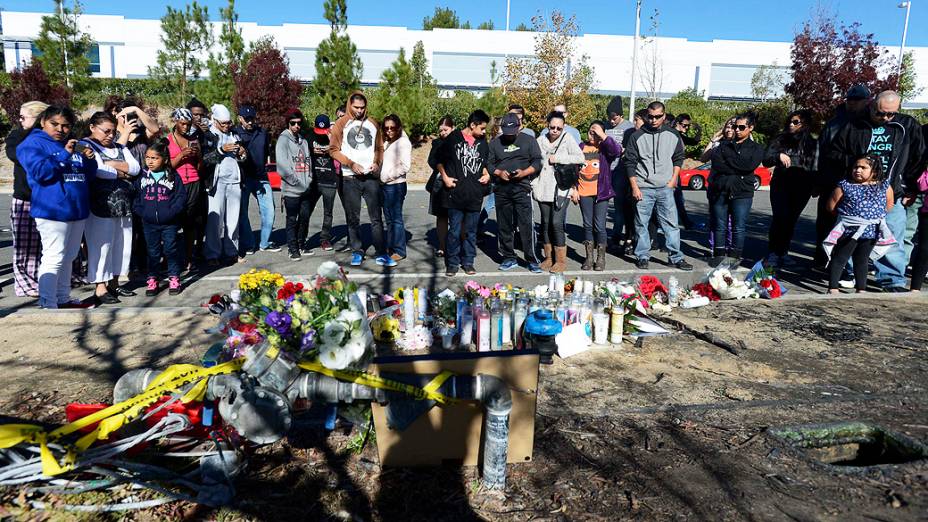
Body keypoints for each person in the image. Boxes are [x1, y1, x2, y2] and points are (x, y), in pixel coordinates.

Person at [829, 91, 925, 292]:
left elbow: (918, 156)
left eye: (890, 114)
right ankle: (852, 275)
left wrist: (910, 186)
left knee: (892, 238)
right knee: (851, 236)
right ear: (871, 106)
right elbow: (835, 152)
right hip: (857, 193)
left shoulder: (907, 126)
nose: (885, 118)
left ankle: (891, 280)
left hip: (890, 191)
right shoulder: (855, 125)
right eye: (880, 113)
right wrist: (855, 165)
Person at [17, 106, 97, 309]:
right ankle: (48, 303)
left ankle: (62, 299)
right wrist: (63, 155)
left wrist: (89, 159)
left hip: (76, 210)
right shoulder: (31, 144)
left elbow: (87, 175)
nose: (60, 129)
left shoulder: (71, 144)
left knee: (69, 257)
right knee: (54, 256)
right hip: (53, 211)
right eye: (55, 124)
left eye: (66, 126)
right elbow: (41, 173)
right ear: (43, 121)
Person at [81, 112, 141, 306]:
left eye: (113, 132)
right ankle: (100, 286)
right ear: (92, 127)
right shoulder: (86, 145)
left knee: (122, 245)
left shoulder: (120, 147)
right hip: (101, 205)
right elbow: (98, 170)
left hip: (124, 204)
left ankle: (114, 282)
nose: (110, 135)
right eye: (106, 131)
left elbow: (135, 168)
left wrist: (112, 165)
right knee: (102, 246)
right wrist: (122, 172)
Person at [625, 102, 693, 271]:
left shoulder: (673, 134)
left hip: (665, 187)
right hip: (643, 187)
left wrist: (673, 180)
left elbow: (678, 158)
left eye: (657, 116)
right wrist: (635, 187)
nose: (654, 120)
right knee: (641, 224)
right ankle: (642, 255)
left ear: (664, 115)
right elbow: (630, 163)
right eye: (650, 116)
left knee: (671, 224)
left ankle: (676, 257)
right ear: (647, 116)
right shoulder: (637, 136)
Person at [330, 91, 392, 267]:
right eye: (356, 107)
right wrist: (350, 163)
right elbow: (333, 149)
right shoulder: (341, 123)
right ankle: (357, 250)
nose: (359, 111)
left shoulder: (372, 123)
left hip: (370, 177)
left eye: (362, 107)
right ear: (350, 105)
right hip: (350, 178)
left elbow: (379, 147)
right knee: (353, 217)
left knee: (376, 217)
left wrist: (376, 163)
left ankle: (381, 252)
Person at [814, 84, 872, 270]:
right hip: (832, 180)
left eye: (858, 100)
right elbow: (823, 153)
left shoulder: (869, 123)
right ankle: (823, 260)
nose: (853, 104)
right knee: (827, 223)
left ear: (867, 101)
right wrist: (819, 180)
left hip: (857, 181)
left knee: (852, 225)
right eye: (850, 100)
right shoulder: (835, 123)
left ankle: (845, 265)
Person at [824, 154, 894, 294]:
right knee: (840, 257)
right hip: (849, 230)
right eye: (856, 167)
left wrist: (873, 217)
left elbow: (889, 203)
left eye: (863, 167)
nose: (858, 170)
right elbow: (831, 206)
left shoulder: (884, 186)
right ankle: (833, 287)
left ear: (874, 171)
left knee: (862, 260)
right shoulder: (845, 185)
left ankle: (861, 288)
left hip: (871, 230)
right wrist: (846, 219)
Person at [438, 110, 492, 276]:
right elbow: (437, 160)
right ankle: (452, 263)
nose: (484, 132)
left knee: (470, 231)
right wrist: (445, 177)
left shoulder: (483, 143)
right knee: (454, 231)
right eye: (482, 128)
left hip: (474, 195)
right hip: (455, 194)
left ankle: (468, 261)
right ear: (472, 125)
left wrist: (487, 174)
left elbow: (485, 163)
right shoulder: (453, 138)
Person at [707, 112, 765, 266]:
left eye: (741, 127)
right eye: (735, 126)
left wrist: (730, 162)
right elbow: (717, 164)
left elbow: (749, 166)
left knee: (738, 227)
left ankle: (734, 257)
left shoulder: (757, 148)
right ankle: (718, 255)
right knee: (719, 225)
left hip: (742, 193)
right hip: (721, 190)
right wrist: (738, 165)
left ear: (750, 128)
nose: (737, 130)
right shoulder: (723, 145)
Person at [488, 113, 543, 272]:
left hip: (522, 187)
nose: (509, 135)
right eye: (506, 132)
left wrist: (524, 172)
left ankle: (531, 259)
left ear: (519, 127)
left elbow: (537, 161)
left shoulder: (529, 140)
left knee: (526, 224)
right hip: (502, 188)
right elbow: (489, 164)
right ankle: (508, 257)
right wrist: (499, 172)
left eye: (512, 132)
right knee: (504, 224)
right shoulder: (495, 143)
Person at [763, 110, 818, 267]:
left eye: (795, 122)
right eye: (790, 121)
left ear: (805, 124)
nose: (790, 125)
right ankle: (773, 252)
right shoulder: (780, 140)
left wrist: (816, 185)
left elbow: (816, 164)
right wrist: (778, 156)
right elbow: (766, 160)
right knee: (779, 218)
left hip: (802, 187)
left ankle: (783, 251)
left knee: (791, 221)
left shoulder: (812, 143)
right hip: (781, 185)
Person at [6, 101, 49, 297]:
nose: (20, 120)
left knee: (48, 244)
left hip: (48, 198)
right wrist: (32, 132)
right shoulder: (16, 136)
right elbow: (18, 155)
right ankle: (26, 284)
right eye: (20, 117)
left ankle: (58, 277)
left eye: (24, 117)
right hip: (25, 198)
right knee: (26, 246)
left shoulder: (51, 136)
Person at [134, 139, 187, 296]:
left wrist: (172, 212)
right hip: (149, 223)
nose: (150, 161)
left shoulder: (173, 176)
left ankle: (174, 278)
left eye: (154, 158)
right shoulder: (142, 176)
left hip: (169, 223)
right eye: (148, 157)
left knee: (171, 250)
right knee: (153, 252)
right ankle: (152, 279)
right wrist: (141, 211)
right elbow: (136, 197)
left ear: (164, 159)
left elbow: (181, 197)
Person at [534, 111, 584, 273]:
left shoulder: (567, 138)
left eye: (559, 128)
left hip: (561, 188)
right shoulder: (540, 141)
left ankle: (561, 261)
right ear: (547, 126)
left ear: (563, 128)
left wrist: (560, 158)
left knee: (556, 223)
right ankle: (549, 258)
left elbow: (580, 158)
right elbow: (533, 162)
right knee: (546, 224)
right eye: (552, 127)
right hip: (542, 187)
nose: (555, 130)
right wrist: (534, 184)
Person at [203, 104, 246, 266]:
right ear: (214, 121)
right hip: (217, 182)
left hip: (234, 180)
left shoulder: (234, 134)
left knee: (233, 220)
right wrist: (221, 150)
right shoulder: (208, 136)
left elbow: (243, 158)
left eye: (229, 123)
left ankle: (232, 252)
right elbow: (205, 159)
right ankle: (212, 254)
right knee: (215, 221)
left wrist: (242, 153)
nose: (227, 126)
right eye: (223, 123)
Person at [574, 121, 620, 271]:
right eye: (590, 131)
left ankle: (601, 258)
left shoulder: (605, 149)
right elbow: (573, 169)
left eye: (596, 132)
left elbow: (616, 151)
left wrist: (602, 135)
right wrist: (573, 188)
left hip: (601, 193)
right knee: (587, 225)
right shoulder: (580, 147)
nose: (592, 134)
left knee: (599, 226)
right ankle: (589, 257)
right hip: (583, 192)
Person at [234, 104, 279, 255]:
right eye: (246, 119)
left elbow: (266, 151)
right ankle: (249, 244)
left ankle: (265, 242)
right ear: (240, 118)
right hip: (243, 179)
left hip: (261, 177)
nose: (250, 122)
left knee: (269, 211)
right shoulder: (234, 133)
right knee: (243, 213)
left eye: (252, 118)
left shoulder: (263, 133)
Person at [167, 108, 204, 272]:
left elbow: (200, 168)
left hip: (194, 182)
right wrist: (181, 155)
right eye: (183, 123)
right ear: (175, 122)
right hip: (176, 184)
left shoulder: (194, 139)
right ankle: (172, 260)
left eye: (188, 125)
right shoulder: (167, 141)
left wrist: (198, 156)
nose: (186, 127)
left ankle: (189, 259)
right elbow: (166, 167)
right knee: (173, 224)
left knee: (190, 224)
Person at [275, 109, 313, 260]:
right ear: (288, 124)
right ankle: (292, 248)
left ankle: (301, 244)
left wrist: (308, 179)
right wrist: (296, 182)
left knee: (304, 218)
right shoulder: (283, 140)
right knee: (292, 219)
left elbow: (308, 161)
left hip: (305, 188)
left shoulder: (303, 140)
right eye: (293, 123)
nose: (297, 126)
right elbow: (282, 167)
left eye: (299, 123)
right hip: (291, 189)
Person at [380, 114, 411, 262]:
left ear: (398, 127)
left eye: (392, 128)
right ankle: (391, 247)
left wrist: (386, 176)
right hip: (386, 186)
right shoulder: (388, 141)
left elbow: (405, 166)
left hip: (395, 186)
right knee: (390, 219)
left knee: (396, 219)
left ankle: (399, 250)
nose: (389, 131)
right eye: (386, 128)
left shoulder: (403, 142)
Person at [308, 114, 341, 252]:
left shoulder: (335, 137)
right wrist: (311, 150)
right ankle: (301, 238)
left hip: (330, 181)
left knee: (328, 213)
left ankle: (325, 239)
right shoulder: (310, 136)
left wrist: (331, 146)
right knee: (306, 211)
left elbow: (341, 155)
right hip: (314, 181)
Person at [427, 116, 456, 257]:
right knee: (441, 216)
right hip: (439, 182)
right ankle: (443, 246)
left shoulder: (460, 141)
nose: (443, 133)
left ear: (453, 128)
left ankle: (458, 246)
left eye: (446, 129)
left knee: (457, 217)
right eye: (441, 130)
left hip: (456, 182)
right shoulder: (437, 143)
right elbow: (432, 161)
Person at [670, 113, 702, 229]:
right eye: (684, 125)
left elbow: (694, 141)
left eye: (688, 126)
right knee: (674, 199)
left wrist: (699, 130)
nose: (686, 128)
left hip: (676, 171)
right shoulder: (671, 134)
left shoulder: (680, 136)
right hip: (669, 171)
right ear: (677, 123)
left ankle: (686, 222)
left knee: (678, 199)